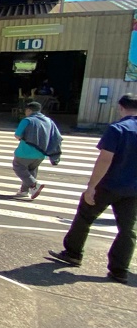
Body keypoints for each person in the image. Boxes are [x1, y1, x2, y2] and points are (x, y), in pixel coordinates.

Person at [50, 94, 137, 284]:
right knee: (128, 229)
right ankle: (119, 269)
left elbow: (105, 159)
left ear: (121, 107)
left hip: (108, 185)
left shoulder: (117, 129)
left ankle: (73, 253)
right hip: (133, 190)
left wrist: (91, 187)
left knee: (85, 216)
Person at [12, 101, 62, 200]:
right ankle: (24, 191)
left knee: (18, 167)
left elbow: (17, 135)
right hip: (41, 153)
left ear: (29, 110)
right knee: (31, 170)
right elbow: (57, 137)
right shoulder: (49, 121)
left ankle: (34, 184)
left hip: (25, 151)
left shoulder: (27, 120)